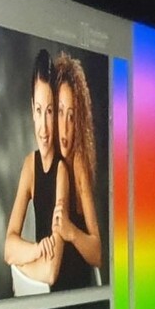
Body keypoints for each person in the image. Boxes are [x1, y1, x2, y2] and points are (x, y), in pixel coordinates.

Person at [3, 50, 70, 289]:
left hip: (66, 290)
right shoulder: (30, 165)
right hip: (43, 288)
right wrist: (37, 250)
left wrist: (21, 262)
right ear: (32, 110)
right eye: (39, 110)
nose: (43, 128)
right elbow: (8, 249)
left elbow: (50, 272)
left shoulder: (62, 171)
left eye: (50, 112)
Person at [49, 51, 102, 286]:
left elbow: (97, 254)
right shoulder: (45, 162)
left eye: (72, 116)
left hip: (78, 288)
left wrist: (70, 231)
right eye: (60, 112)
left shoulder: (78, 163)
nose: (65, 126)